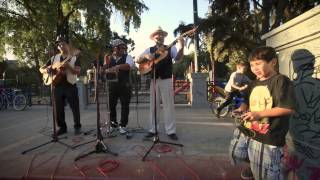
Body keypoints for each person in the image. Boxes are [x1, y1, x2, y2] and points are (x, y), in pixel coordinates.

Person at [229, 46, 295, 180]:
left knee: (269, 174)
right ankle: (254, 166)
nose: (254, 68)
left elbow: (288, 108)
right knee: (237, 153)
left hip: (269, 136)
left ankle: (268, 167)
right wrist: (241, 109)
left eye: (258, 64)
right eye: (252, 65)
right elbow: (246, 101)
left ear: (273, 62)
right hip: (250, 130)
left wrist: (259, 114)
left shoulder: (281, 81)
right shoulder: (253, 83)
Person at [136, 26, 184, 140]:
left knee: (169, 106)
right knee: (153, 106)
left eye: (162, 34)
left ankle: (171, 131)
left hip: (166, 79)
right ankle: (153, 130)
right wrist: (146, 56)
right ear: (154, 37)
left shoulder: (170, 48)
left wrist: (181, 47)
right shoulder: (149, 50)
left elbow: (178, 59)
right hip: (154, 79)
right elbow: (138, 59)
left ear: (164, 37)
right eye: (158, 34)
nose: (160, 36)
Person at [39, 36, 82, 136]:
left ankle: (77, 126)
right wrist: (47, 70)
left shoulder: (74, 57)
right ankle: (62, 128)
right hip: (57, 85)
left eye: (63, 44)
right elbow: (41, 69)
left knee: (75, 107)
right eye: (59, 45)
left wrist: (68, 66)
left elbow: (77, 72)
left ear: (68, 45)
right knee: (58, 108)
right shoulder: (54, 58)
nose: (61, 46)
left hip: (70, 85)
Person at [103, 39, 134, 134]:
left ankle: (123, 125)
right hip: (112, 85)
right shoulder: (108, 57)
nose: (123, 49)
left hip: (124, 85)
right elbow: (105, 69)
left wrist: (118, 67)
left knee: (125, 106)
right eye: (121, 47)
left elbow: (129, 66)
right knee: (111, 106)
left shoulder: (127, 56)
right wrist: (105, 69)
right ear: (114, 48)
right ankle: (113, 124)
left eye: (124, 47)